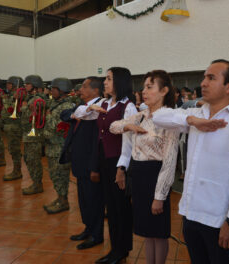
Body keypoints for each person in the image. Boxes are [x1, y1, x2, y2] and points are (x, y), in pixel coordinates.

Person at [152, 59, 229, 264]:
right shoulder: (195, 114)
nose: (203, 83)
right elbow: (158, 116)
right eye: (204, 77)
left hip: (218, 218)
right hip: (190, 211)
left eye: (211, 78)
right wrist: (192, 121)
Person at [110, 70, 179, 264]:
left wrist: (160, 196)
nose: (144, 91)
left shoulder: (169, 119)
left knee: (159, 232)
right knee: (147, 232)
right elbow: (113, 126)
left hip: (156, 177)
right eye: (144, 87)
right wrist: (129, 126)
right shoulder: (140, 116)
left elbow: (169, 162)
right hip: (138, 177)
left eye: (150, 87)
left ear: (164, 90)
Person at [83, 68, 138, 263]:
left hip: (118, 162)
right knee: (111, 208)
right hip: (104, 160)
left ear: (120, 82)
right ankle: (116, 248)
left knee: (120, 208)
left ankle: (121, 250)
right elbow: (79, 113)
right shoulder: (103, 103)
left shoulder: (128, 107)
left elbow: (128, 143)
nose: (105, 82)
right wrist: (90, 109)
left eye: (108, 79)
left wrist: (121, 169)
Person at [60, 77, 105, 250]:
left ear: (95, 90)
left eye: (85, 87)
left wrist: (95, 166)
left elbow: (97, 141)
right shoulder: (82, 106)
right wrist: (76, 113)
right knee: (84, 199)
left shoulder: (100, 108)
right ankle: (88, 228)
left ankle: (97, 234)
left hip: (91, 162)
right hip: (79, 161)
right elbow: (64, 114)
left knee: (94, 199)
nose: (80, 89)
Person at [43, 77, 74, 214]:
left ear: (62, 90)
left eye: (54, 89)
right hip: (52, 147)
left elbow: (58, 128)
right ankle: (60, 197)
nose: (51, 91)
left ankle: (63, 201)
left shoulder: (66, 107)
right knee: (54, 175)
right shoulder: (56, 104)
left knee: (61, 176)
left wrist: (48, 116)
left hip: (60, 148)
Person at [21, 75, 46, 195]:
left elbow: (32, 116)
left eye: (28, 84)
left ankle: (37, 184)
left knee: (34, 160)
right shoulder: (30, 98)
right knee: (29, 159)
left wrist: (25, 107)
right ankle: (35, 183)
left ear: (35, 85)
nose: (25, 86)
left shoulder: (39, 99)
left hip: (34, 135)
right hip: (28, 134)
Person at [2, 76, 25, 181]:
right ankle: (16, 170)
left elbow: (11, 109)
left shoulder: (19, 95)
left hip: (15, 126)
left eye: (9, 83)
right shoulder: (12, 95)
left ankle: (17, 171)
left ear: (15, 85)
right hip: (10, 126)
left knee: (14, 149)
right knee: (12, 149)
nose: (7, 85)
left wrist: (5, 100)